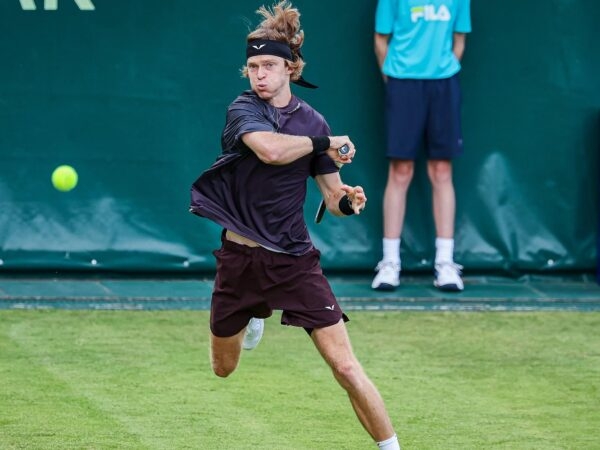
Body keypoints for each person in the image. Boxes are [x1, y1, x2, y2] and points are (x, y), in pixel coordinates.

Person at [189, 2, 401, 448]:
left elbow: (332, 197)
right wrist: (327, 142)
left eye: (268, 65)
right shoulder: (243, 110)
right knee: (222, 369)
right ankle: (252, 315)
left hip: (294, 262)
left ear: (291, 68)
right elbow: (269, 150)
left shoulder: (312, 121)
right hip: (238, 260)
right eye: (252, 66)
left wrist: (349, 201)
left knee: (344, 366)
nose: (259, 74)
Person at [371, 0, 471, 292]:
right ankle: (390, 263)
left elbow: (459, 40)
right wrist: (395, 78)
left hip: (444, 85)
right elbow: (381, 40)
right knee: (400, 170)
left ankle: (445, 263)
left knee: (441, 170)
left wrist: (442, 70)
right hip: (403, 83)